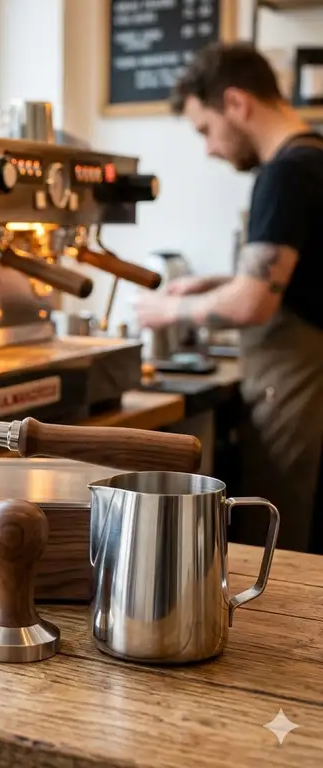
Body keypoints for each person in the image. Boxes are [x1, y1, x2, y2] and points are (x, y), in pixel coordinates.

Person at [133, 42, 323, 553]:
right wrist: (217, 282)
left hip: (298, 388)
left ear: (236, 104)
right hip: (304, 378)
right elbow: (297, 275)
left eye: (205, 130)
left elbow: (253, 305)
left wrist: (168, 309)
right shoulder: (315, 156)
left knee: (282, 540)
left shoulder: (285, 173)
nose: (210, 149)